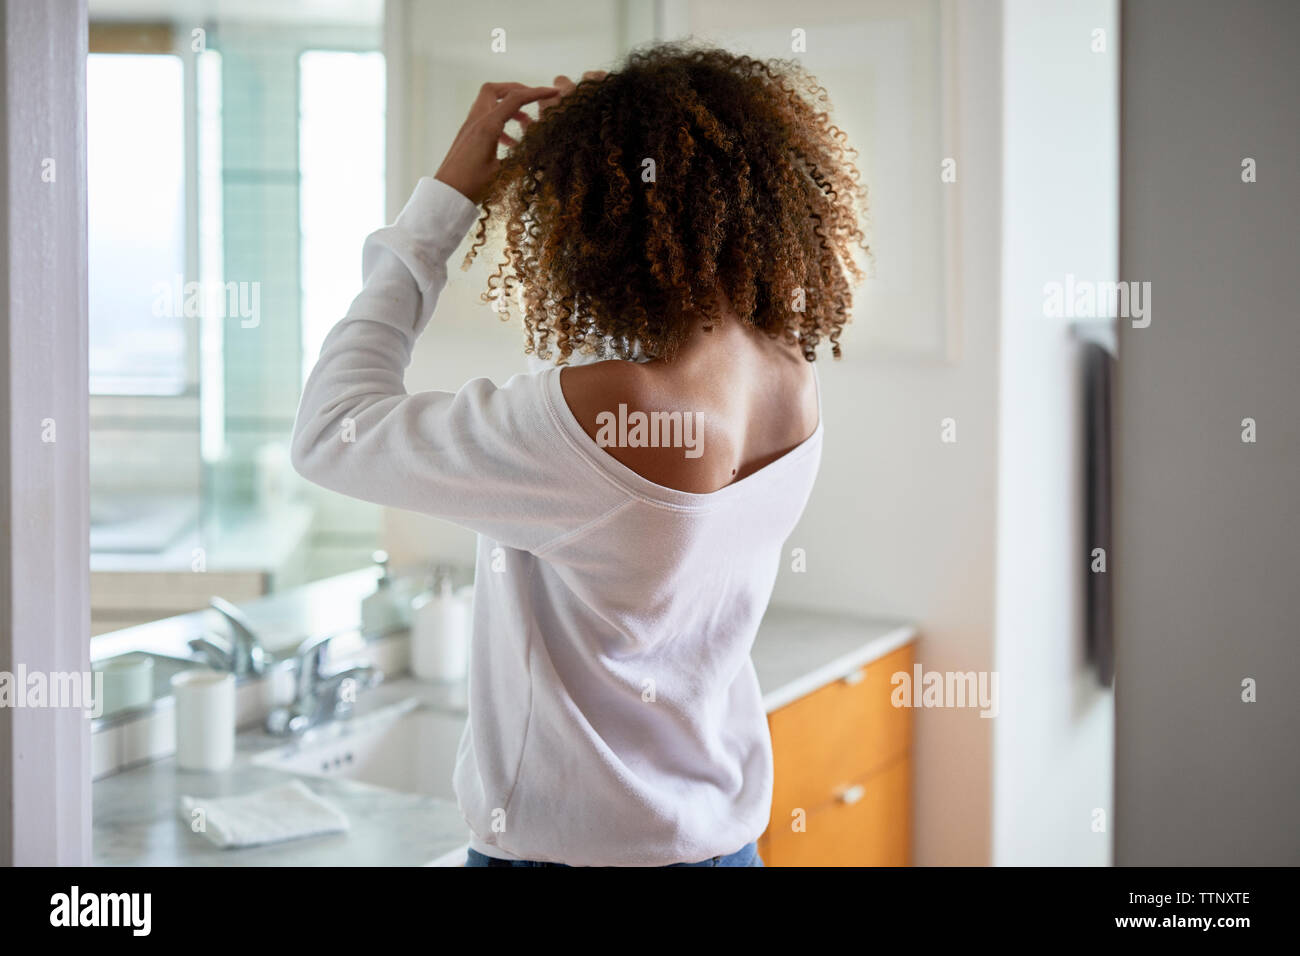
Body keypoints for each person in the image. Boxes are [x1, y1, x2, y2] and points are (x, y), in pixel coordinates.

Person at [291, 42, 868, 867]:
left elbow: (329, 429)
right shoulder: (785, 372)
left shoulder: (604, 410)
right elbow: (615, 388)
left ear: (591, 220)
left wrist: (442, 208)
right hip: (724, 846)